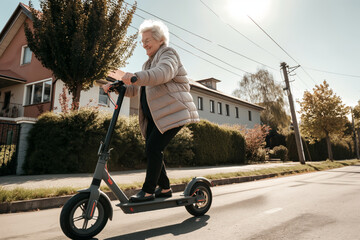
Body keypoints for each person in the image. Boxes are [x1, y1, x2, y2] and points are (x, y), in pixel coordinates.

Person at [104, 20, 199, 202]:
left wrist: (134, 77)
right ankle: (164, 188)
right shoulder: (148, 64)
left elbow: (162, 73)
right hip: (157, 117)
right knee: (152, 149)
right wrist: (117, 85)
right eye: (142, 41)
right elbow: (137, 88)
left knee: (154, 147)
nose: (144, 44)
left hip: (175, 112)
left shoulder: (168, 54)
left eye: (148, 40)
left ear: (160, 39)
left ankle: (148, 190)